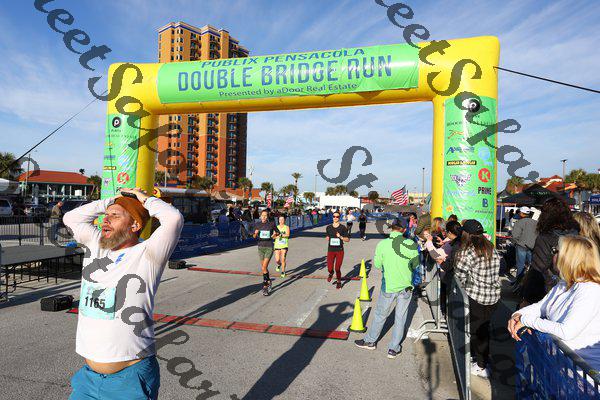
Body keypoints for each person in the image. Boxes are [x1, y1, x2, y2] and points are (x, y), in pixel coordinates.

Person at [63, 188, 184, 400]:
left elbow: (173, 219)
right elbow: (70, 218)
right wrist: (112, 201)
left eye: (115, 216)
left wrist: (143, 199)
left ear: (135, 225)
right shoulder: (95, 246)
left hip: (130, 380)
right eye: (106, 215)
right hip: (88, 380)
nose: (105, 220)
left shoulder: (148, 253)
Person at [508, 235, 600, 371]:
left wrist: (526, 320)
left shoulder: (590, 290)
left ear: (570, 258)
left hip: (580, 374)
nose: (553, 255)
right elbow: (541, 307)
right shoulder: (565, 283)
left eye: (556, 251)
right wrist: (518, 315)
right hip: (559, 366)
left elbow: (566, 331)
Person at [355, 219, 420, 358]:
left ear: (392, 228)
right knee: (400, 317)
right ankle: (393, 348)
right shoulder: (411, 244)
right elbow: (416, 265)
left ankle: (370, 341)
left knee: (380, 314)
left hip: (389, 285)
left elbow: (377, 264)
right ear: (404, 230)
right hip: (406, 286)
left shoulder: (383, 244)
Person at [454, 219, 501, 378]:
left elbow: (459, 276)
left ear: (466, 234)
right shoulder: (491, 247)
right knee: (484, 329)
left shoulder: (466, 252)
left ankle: (482, 365)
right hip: (493, 296)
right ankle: (481, 359)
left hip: (477, 296)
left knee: (478, 332)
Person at [520, 198, 579, 307]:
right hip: (574, 290)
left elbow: (538, 269)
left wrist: (527, 298)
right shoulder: (577, 234)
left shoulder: (545, 237)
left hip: (549, 292)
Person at [253, 210, 280, 296]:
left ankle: (265, 287)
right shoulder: (257, 224)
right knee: (264, 268)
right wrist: (255, 233)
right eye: (262, 215)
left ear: (267, 216)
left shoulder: (271, 224)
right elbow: (254, 236)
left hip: (269, 247)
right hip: (260, 247)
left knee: (264, 267)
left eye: (265, 215)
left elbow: (278, 233)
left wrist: (274, 236)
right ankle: (268, 281)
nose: (264, 217)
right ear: (260, 216)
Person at [510, 206, 538, 283]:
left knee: (520, 265)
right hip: (532, 246)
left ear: (521, 213)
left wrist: (517, 242)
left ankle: (519, 282)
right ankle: (530, 282)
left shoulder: (519, 222)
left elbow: (515, 235)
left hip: (521, 246)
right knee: (532, 265)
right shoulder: (536, 223)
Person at [325, 211, 350, 289]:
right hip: (331, 250)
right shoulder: (328, 227)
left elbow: (347, 239)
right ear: (332, 217)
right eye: (334, 216)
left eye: (337, 217)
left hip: (339, 250)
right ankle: (331, 273)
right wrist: (327, 237)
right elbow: (328, 236)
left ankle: (339, 281)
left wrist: (340, 237)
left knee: (337, 268)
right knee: (330, 268)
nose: (335, 218)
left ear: (339, 218)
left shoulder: (343, 228)